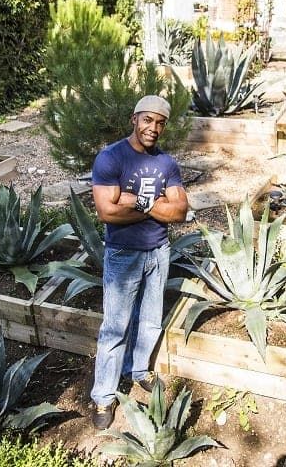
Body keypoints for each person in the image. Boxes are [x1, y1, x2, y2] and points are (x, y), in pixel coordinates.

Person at [89, 95, 188, 429]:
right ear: (134, 119)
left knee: (149, 321)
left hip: (158, 252)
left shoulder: (167, 164)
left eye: (160, 122)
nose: (154, 128)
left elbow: (180, 212)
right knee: (115, 327)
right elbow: (107, 212)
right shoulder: (111, 157)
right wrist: (158, 203)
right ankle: (103, 397)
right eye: (148, 120)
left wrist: (139, 201)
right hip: (123, 255)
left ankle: (138, 370)